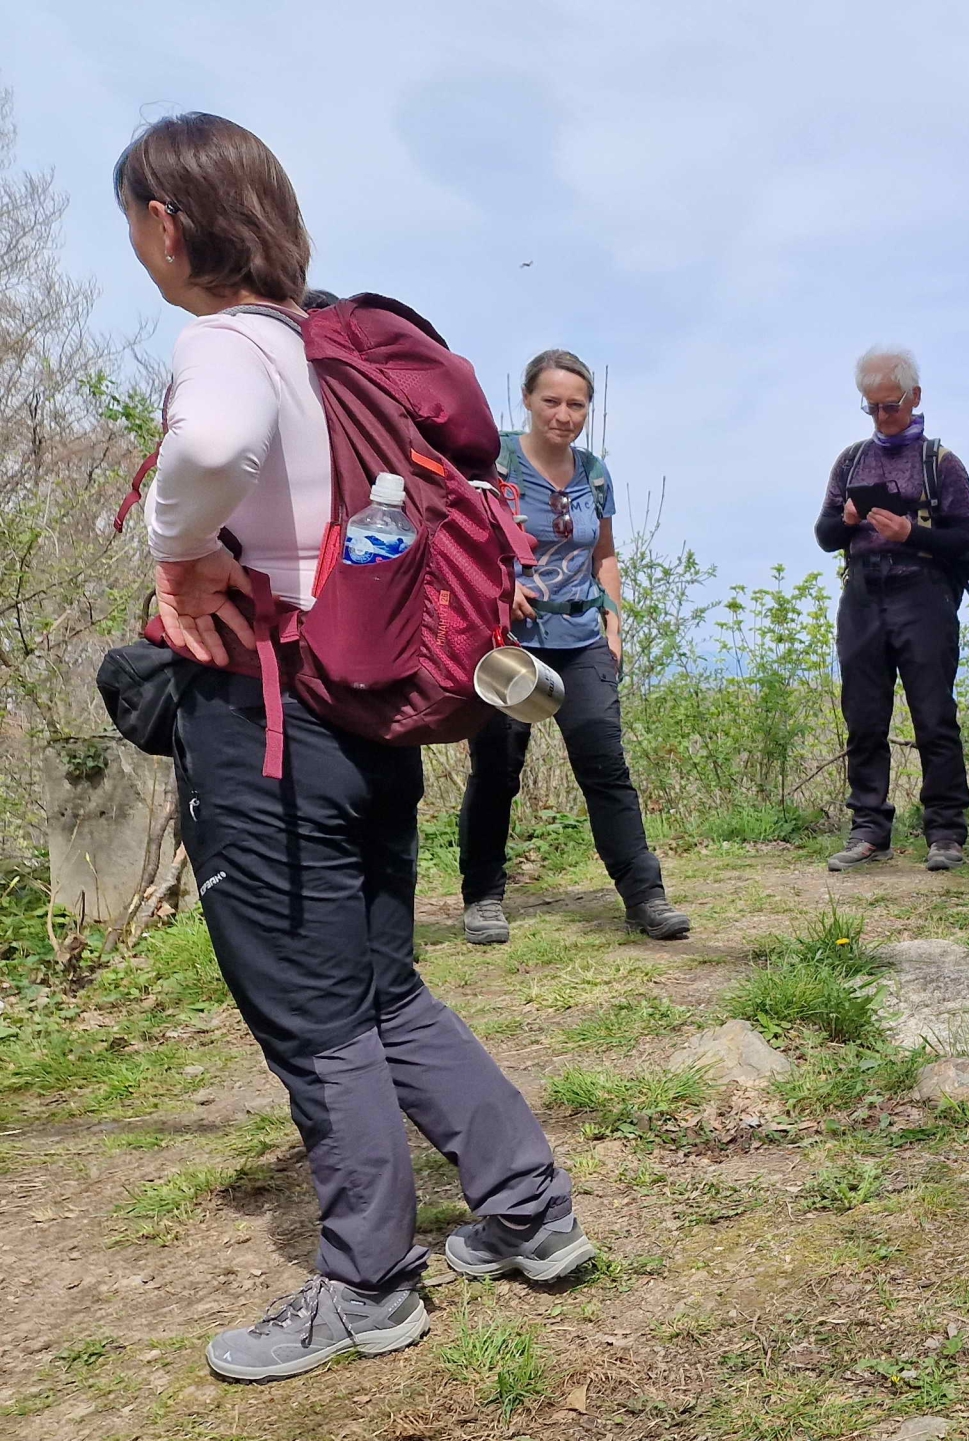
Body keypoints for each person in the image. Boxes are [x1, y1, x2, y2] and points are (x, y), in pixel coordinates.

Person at [118, 113, 595, 1383]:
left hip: (268, 724)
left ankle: (368, 1284)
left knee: (315, 1013)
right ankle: (529, 1211)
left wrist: (176, 548)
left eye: (134, 226)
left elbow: (209, 446)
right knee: (384, 989)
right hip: (369, 716)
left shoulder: (230, 341)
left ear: (167, 224)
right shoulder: (329, 352)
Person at [457, 349, 689, 945]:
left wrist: (615, 625)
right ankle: (483, 898)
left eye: (576, 404)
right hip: (509, 643)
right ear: (528, 400)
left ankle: (645, 898)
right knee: (498, 770)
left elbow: (603, 554)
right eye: (551, 401)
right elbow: (458, 538)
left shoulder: (594, 473)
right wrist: (499, 586)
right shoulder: (495, 462)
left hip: (582, 637)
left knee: (605, 766)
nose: (563, 415)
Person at [816, 345, 969, 872]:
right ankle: (869, 830)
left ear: (915, 397)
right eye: (873, 407)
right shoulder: (851, 460)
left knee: (934, 716)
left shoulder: (941, 463)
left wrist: (912, 534)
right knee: (863, 717)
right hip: (862, 595)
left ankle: (946, 832)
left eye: (891, 405)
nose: (882, 416)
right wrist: (846, 520)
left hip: (923, 594)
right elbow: (824, 536)